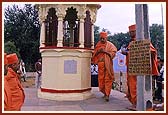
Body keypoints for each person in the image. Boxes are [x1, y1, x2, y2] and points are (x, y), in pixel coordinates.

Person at [121, 24, 159, 110]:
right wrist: (125, 52)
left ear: (137, 31)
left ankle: (137, 104)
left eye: (132, 32)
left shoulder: (143, 41)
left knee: (136, 86)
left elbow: (152, 51)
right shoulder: (131, 43)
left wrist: (128, 53)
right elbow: (129, 52)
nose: (131, 34)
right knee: (131, 86)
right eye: (130, 32)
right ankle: (134, 103)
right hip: (130, 68)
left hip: (139, 68)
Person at [92, 31, 117, 102]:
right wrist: (98, 51)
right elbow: (94, 54)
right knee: (101, 79)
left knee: (107, 79)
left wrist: (105, 52)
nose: (102, 40)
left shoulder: (110, 45)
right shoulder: (98, 45)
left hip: (108, 64)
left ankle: (107, 94)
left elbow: (113, 53)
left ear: (106, 38)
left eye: (103, 38)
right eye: (101, 38)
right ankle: (104, 93)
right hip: (101, 65)